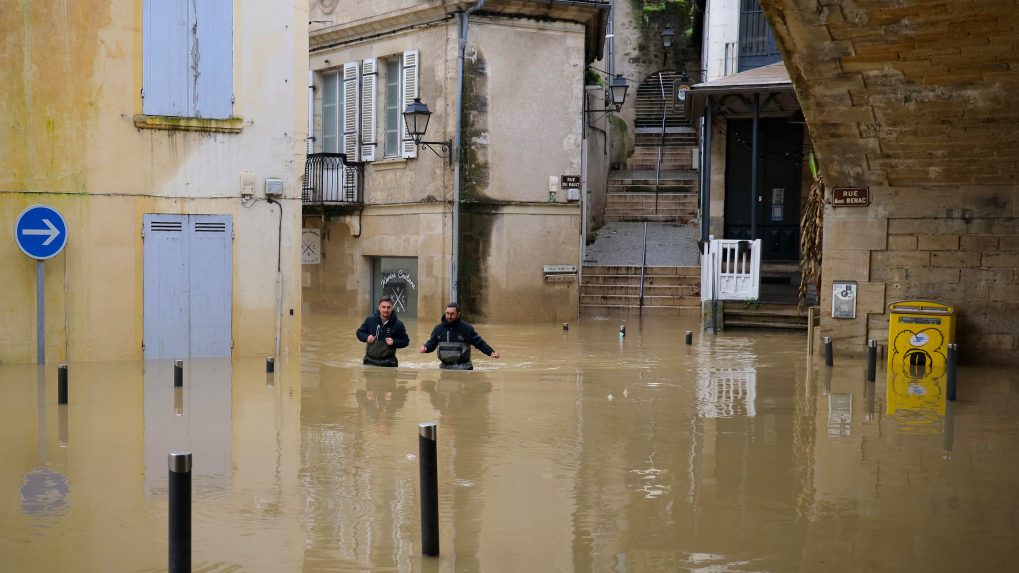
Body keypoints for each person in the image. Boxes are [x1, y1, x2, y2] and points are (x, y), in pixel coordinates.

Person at [418, 302, 500, 370]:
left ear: (458, 314)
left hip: (464, 367)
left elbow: (479, 343)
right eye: (447, 313)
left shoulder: (466, 328)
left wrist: (491, 352)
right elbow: (432, 343)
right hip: (444, 367)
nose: (449, 316)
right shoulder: (438, 328)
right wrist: (426, 347)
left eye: (452, 314)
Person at [356, 296, 410, 367]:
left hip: (389, 364)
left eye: (388, 307)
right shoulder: (370, 320)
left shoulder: (398, 324)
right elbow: (359, 333)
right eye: (383, 307)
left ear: (392, 307)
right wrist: (367, 337)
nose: (386, 310)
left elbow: (406, 341)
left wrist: (394, 342)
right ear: (379, 307)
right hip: (369, 362)